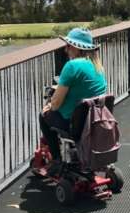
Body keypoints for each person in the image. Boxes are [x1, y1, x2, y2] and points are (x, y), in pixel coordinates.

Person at [40, 27, 107, 174]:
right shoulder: (98, 66)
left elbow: (56, 105)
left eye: (68, 46)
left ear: (76, 48)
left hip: (75, 125)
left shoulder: (71, 66)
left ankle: (56, 159)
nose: (66, 49)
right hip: (95, 122)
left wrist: (49, 105)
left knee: (44, 115)